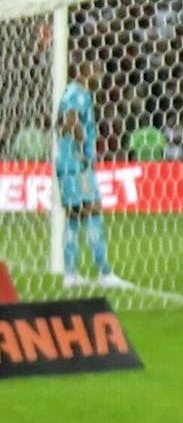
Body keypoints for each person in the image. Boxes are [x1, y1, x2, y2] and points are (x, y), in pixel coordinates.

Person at [54, 59, 125, 290]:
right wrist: (83, 149)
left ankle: (70, 273)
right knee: (93, 210)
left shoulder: (67, 92)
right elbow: (71, 120)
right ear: (86, 71)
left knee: (73, 217)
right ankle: (104, 272)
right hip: (78, 165)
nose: (100, 75)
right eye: (98, 70)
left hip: (65, 163)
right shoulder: (79, 93)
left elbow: (59, 123)